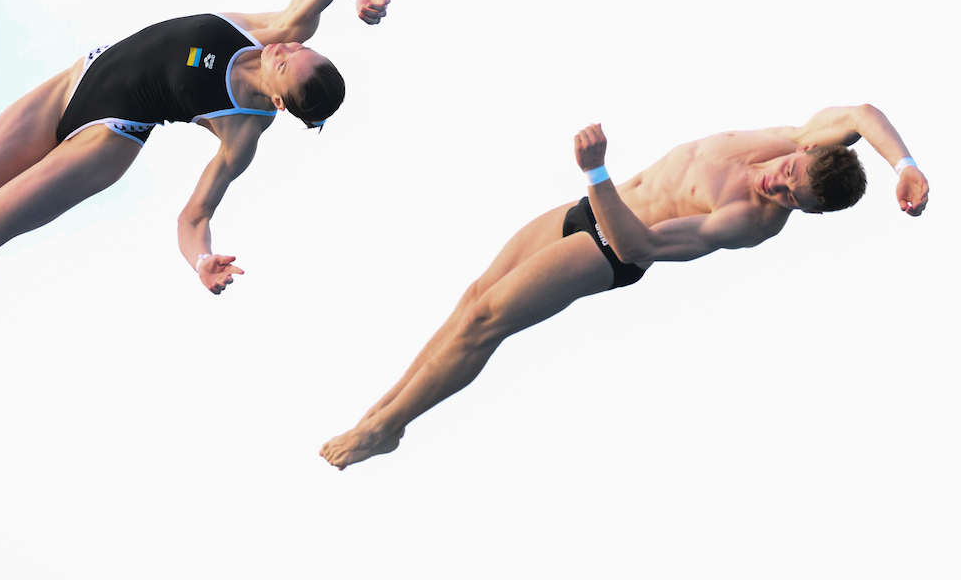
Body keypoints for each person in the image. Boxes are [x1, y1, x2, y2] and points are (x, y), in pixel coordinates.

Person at [0, 0, 391, 397]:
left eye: (286, 62)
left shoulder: (243, 130)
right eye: (296, 48)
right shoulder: (278, 28)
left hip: (110, 134)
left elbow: (193, 216)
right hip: (80, 78)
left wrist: (200, 260)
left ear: (281, 101)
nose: (284, 47)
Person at [320, 105, 929, 469]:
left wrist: (595, 171)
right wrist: (905, 166)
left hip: (612, 245)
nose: (779, 186)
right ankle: (386, 414)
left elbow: (640, 246)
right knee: (472, 297)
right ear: (808, 149)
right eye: (789, 174)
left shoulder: (748, 221)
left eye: (793, 199)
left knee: (487, 320)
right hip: (594, 201)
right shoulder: (796, 138)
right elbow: (861, 114)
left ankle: (382, 430)